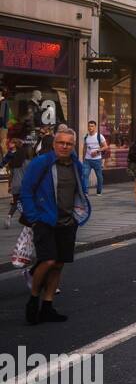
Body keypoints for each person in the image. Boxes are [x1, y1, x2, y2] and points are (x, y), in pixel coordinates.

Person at [19, 128, 90, 324]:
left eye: (69, 143)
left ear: (73, 146)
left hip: (68, 222)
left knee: (58, 264)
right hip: (45, 221)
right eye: (61, 143)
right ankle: (33, 299)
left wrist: (79, 213)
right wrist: (34, 217)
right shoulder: (41, 163)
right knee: (48, 260)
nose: (64, 146)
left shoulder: (76, 164)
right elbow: (26, 190)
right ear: (54, 144)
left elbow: (81, 189)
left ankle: (48, 306)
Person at [81, 120, 109, 195]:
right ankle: (85, 192)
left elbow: (106, 146)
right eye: (89, 126)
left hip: (97, 160)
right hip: (87, 160)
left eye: (92, 126)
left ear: (95, 127)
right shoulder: (86, 136)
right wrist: (83, 158)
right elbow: (84, 148)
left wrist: (97, 151)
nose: (90, 128)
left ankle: (99, 191)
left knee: (99, 176)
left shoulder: (99, 136)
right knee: (85, 175)